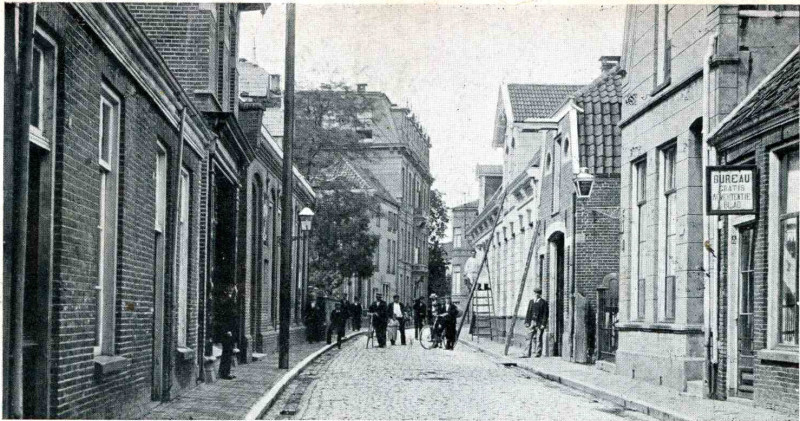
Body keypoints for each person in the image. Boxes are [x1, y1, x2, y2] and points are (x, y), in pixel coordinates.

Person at [522, 287, 549, 358]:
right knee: (528, 337)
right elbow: (528, 312)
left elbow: (545, 314)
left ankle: (538, 353)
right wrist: (527, 321)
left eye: (538, 293)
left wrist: (543, 324)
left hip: (539, 323)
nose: (536, 295)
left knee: (539, 338)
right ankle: (527, 353)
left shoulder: (544, 302)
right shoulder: (531, 301)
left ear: (540, 294)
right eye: (535, 293)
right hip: (532, 322)